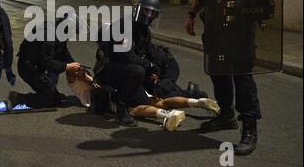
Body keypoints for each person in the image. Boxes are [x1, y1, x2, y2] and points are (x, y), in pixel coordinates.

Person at [185, 0, 266, 155]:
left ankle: (249, 128)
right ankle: (226, 115)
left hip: (239, 32)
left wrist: (242, 11)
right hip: (215, 30)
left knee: (242, 78)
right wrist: (191, 13)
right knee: (218, 71)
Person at [94, 0, 217, 128]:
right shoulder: (123, 26)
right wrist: (149, 66)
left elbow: (147, 54)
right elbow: (127, 57)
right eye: (147, 11)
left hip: (129, 72)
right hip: (109, 71)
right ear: (138, 10)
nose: (149, 15)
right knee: (139, 75)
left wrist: (154, 72)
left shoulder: (144, 30)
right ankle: (122, 110)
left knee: (155, 91)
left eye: (153, 13)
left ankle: (192, 96)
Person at [68, 68, 220, 131]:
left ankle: (167, 115)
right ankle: (198, 102)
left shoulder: (90, 85)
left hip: (116, 99)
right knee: (161, 101)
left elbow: (99, 89)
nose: (81, 71)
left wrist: (89, 78)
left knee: (134, 110)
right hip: (132, 87)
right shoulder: (80, 85)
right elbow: (70, 72)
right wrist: (86, 77)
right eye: (79, 71)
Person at [8, 19, 81, 109]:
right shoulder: (49, 34)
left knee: (56, 99)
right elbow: (47, 61)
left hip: (37, 67)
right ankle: (18, 98)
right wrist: (67, 66)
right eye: (73, 32)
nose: (72, 35)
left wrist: (75, 65)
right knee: (49, 98)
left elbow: (63, 52)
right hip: (28, 68)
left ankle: (52, 94)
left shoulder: (59, 31)